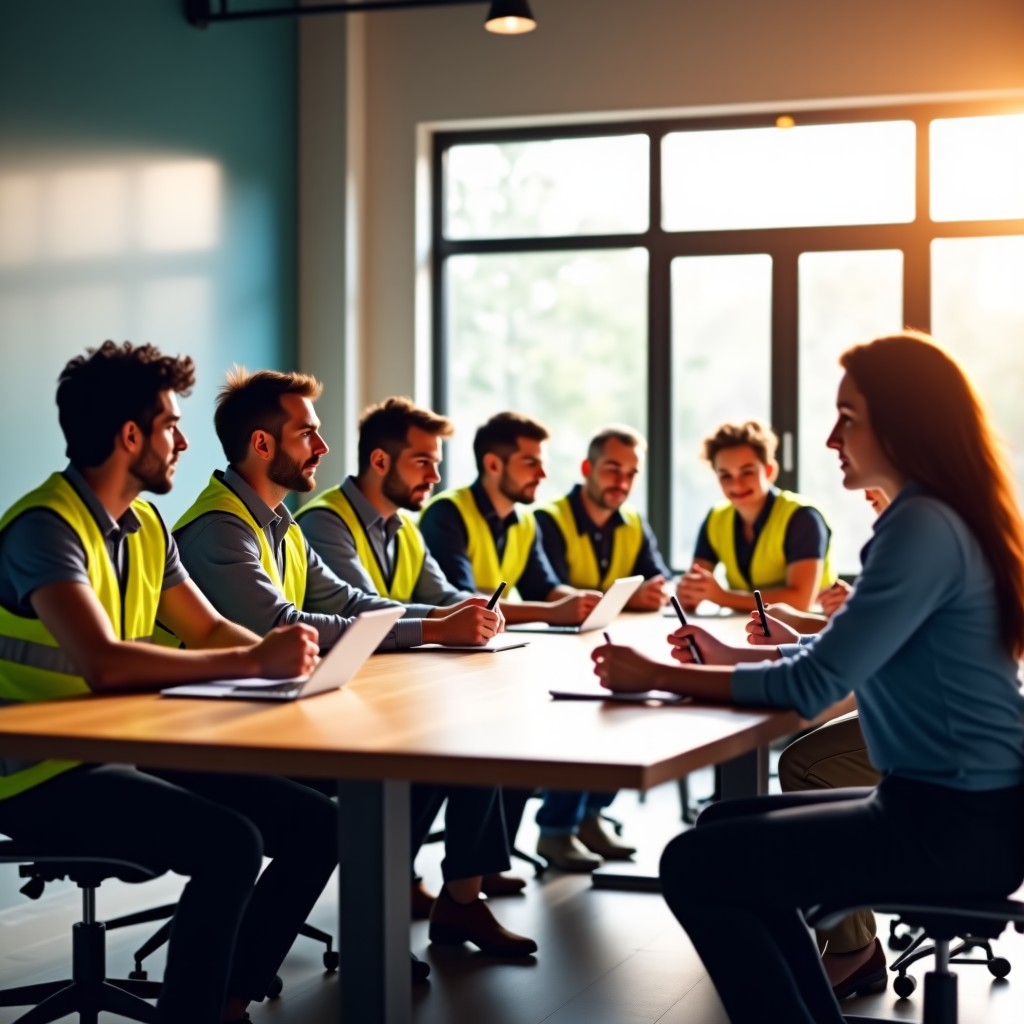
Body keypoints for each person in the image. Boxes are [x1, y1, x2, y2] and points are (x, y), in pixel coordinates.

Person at [592, 330, 1024, 1024]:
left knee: (693, 865)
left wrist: (656, 674)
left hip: (953, 828)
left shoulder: (922, 527)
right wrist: (728, 658)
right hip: (951, 810)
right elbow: (839, 655)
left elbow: (812, 687)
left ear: (904, 424)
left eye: (848, 419)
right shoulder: (937, 518)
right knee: (721, 821)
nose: (830, 438)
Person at [0, 341, 336, 1024]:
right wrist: (253, 664)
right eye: (171, 426)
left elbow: (210, 630)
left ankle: (228, 1001)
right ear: (131, 436)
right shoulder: (45, 529)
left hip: (120, 748)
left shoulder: (146, 524)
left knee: (318, 825)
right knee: (231, 843)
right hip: (35, 773)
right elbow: (105, 661)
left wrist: (292, 666)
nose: (183, 442)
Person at [172, 372, 536, 962]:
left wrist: (447, 614)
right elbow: (283, 625)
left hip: (275, 710)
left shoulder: (281, 524)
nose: (322, 447)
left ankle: (411, 924)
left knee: (446, 748)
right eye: (308, 434)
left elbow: (347, 602)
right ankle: (371, 945)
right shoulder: (219, 529)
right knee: (399, 765)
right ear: (263, 446)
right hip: (223, 732)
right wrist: (431, 628)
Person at [296, 394, 529, 915]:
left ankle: (459, 894)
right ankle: (404, 887)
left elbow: (441, 595)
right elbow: (361, 610)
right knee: (448, 742)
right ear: (380, 461)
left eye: (437, 464)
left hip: (391, 684)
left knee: (477, 729)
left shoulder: (404, 526)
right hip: (340, 698)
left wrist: (470, 610)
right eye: (423, 461)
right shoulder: (324, 522)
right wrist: (443, 621)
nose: (434, 476)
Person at [529, 425, 671, 870]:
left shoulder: (633, 522)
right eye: (613, 470)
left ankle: (590, 815)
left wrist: (654, 593)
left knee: (625, 711)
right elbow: (550, 591)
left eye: (631, 474)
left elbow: (658, 579)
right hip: (554, 648)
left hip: (613, 640)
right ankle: (555, 829)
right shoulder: (548, 518)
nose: (622, 483)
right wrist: (630, 595)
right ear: (588, 468)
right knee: (580, 723)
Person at [419, 411, 603, 626]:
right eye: (530, 463)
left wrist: (585, 601)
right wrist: (551, 613)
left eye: (542, 463)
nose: (543, 474)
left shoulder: (526, 521)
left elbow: (543, 589)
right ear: (493, 465)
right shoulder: (445, 513)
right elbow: (462, 603)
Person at [677, 419, 836, 613]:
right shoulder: (716, 519)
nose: (736, 485)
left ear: (769, 471)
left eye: (747, 472)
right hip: (746, 629)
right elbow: (694, 590)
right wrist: (688, 593)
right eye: (725, 475)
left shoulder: (803, 518)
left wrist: (723, 598)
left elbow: (800, 601)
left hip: (806, 634)